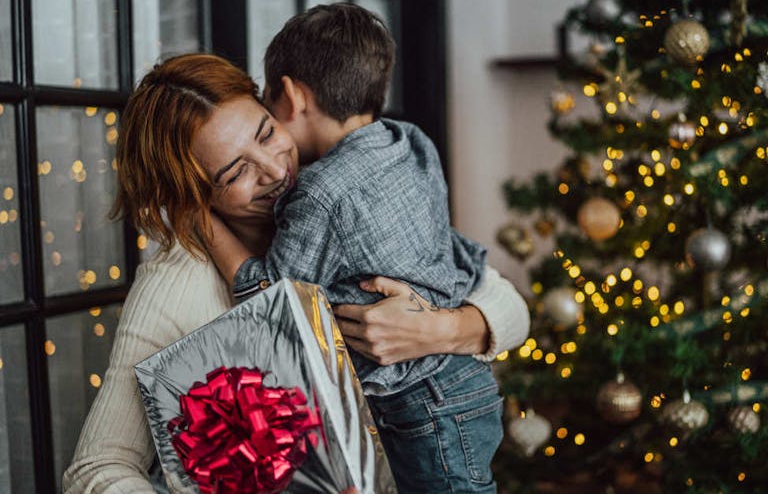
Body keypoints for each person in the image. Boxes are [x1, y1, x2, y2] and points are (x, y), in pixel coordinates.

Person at [62, 54, 529, 493]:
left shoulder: (341, 196)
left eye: (266, 134)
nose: (275, 170)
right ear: (190, 195)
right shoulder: (176, 283)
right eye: (234, 172)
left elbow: (511, 308)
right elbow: (98, 468)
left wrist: (442, 330)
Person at [202, 3, 507, 492]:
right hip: (464, 382)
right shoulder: (409, 140)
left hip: (422, 403)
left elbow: (274, 304)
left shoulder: (321, 193)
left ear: (290, 95)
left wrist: (202, 219)